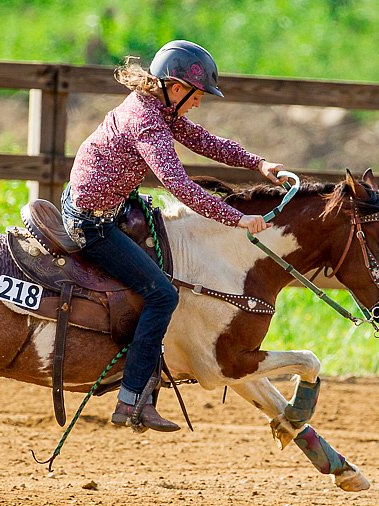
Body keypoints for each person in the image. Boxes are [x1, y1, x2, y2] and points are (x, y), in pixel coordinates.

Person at [62, 40, 285, 432]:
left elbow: (204, 141)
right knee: (161, 294)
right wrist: (235, 219)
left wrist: (258, 163)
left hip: (108, 207)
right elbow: (179, 185)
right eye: (198, 95)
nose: (198, 104)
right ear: (177, 88)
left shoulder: (158, 107)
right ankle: (132, 399)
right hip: (92, 224)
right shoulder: (148, 121)